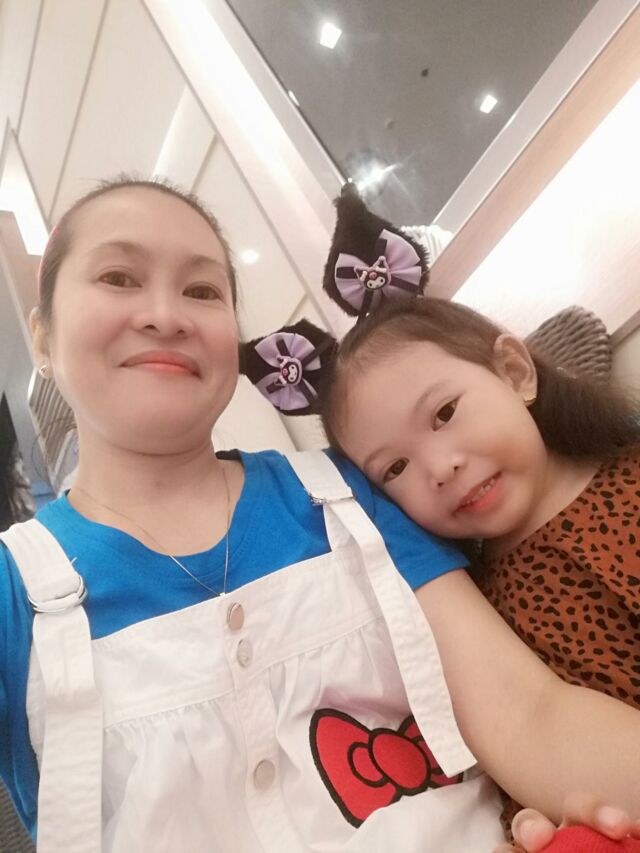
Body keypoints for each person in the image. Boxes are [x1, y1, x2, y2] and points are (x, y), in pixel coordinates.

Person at [1, 178, 639, 853]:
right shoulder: (16, 592)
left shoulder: (350, 492)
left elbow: (530, 716)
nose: (165, 315)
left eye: (202, 290)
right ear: (42, 335)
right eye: (119, 277)